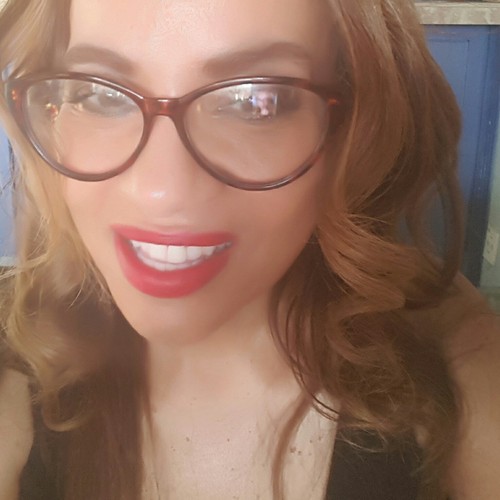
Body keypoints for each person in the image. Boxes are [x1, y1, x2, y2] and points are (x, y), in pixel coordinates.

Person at [0, 0, 499, 499]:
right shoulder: (16, 371)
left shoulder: (455, 374)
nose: (161, 192)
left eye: (257, 100)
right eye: (97, 94)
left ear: (354, 130)